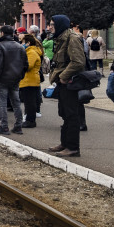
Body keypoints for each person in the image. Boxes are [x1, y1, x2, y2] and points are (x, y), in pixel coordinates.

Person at [47, 15, 86, 157]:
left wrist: (63, 77)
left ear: (60, 25)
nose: (50, 27)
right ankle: (65, 143)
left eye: (52, 24)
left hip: (69, 83)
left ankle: (73, 148)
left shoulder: (72, 38)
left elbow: (78, 62)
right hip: (63, 83)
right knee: (64, 114)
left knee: (71, 115)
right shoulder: (61, 37)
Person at [0, 25, 26, 135]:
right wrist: (20, 75)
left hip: (2, 79)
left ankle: (4, 126)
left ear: (2, 33)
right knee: (16, 102)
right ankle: (18, 126)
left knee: (2, 103)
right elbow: (25, 64)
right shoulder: (20, 46)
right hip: (15, 78)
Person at [19, 32, 43, 128]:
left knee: (30, 102)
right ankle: (29, 119)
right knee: (28, 101)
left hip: (30, 80)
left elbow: (28, 66)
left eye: (23, 42)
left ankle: (30, 120)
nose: (22, 44)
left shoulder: (31, 52)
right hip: (28, 80)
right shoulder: (30, 51)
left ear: (28, 43)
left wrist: (19, 63)